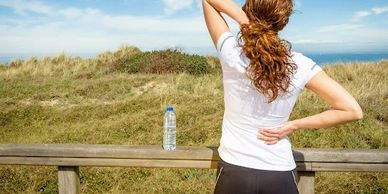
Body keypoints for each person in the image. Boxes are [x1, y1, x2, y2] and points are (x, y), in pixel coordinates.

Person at [202, 0, 364, 193]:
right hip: (278, 172)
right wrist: (293, 125)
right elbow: (352, 110)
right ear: (283, 21)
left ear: (248, 12)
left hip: (234, 171)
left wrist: (246, 21)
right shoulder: (301, 64)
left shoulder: (232, 54)